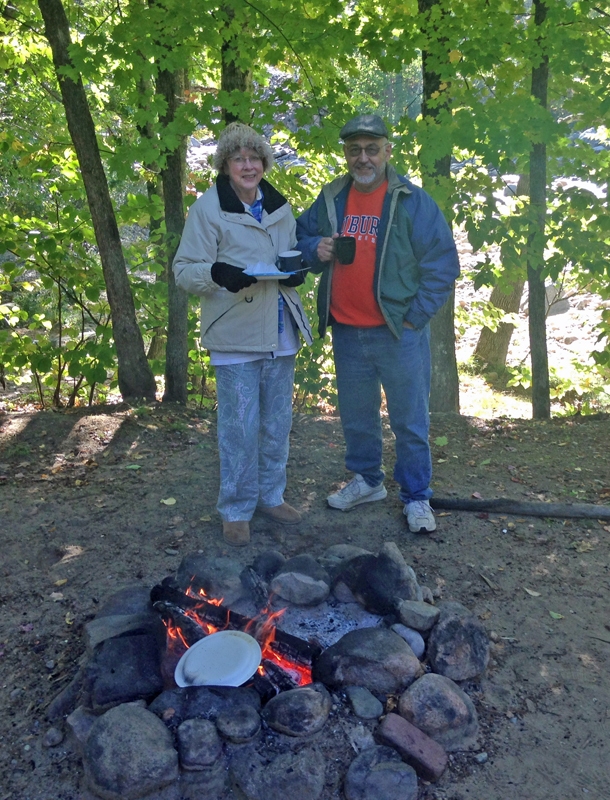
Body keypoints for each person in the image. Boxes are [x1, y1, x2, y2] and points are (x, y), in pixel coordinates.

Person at [296, 114, 460, 533]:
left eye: (372, 149)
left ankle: (417, 497)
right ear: (346, 154)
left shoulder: (412, 201)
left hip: (397, 332)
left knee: (409, 420)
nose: (363, 157)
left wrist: (415, 318)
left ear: (388, 150)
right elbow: (298, 239)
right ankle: (368, 480)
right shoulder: (332, 197)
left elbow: (442, 264)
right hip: (348, 330)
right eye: (355, 150)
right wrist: (318, 247)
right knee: (356, 415)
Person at [173, 123, 312, 546]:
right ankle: (235, 509)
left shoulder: (279, 208)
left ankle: (271, 496)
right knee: (238, 427)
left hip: (280, 330)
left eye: (254, 158)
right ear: (226, 165)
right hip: (234, 333)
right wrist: (217, 272)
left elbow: (289, 259)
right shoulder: (207, 209)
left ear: (265, 163)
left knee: (276, 423)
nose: (248, 166)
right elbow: (183, 271)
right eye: (239, 159)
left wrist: (296, 273)